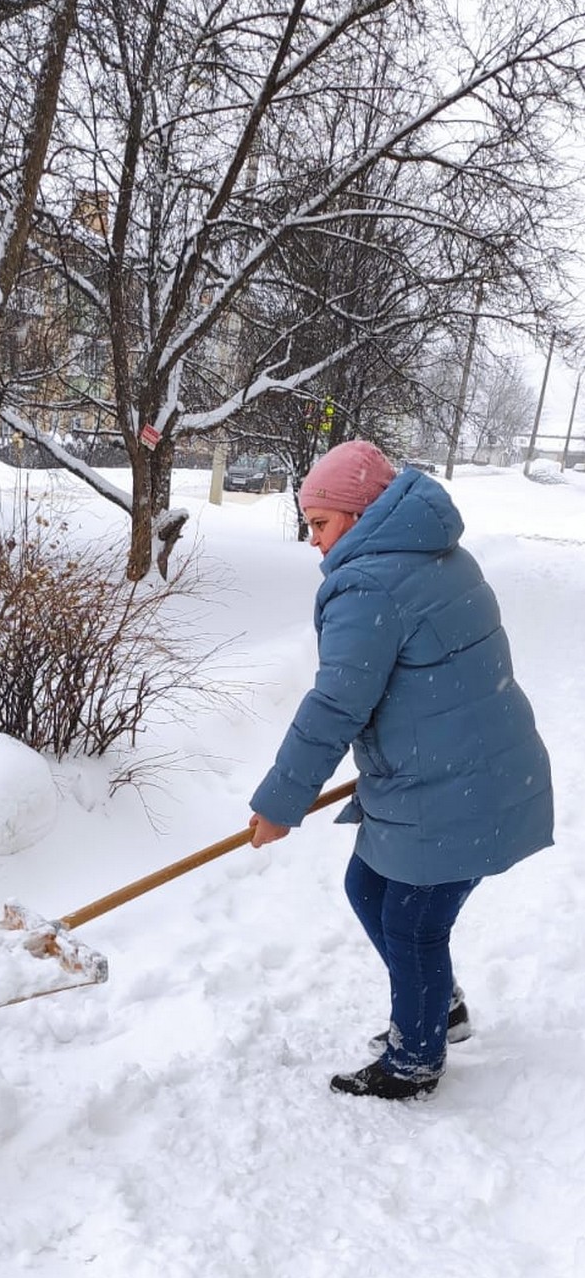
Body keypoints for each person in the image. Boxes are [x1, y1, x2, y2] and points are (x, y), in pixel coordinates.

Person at [249, 439, 553, 1101]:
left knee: (413, 923)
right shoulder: (432, 553)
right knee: (369, 887)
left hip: (453, 787)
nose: (313, 541)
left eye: (320, 524)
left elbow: (336, 703)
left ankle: (415, 1058)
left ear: (360, 515)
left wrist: (280, 803)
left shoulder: (371, 584)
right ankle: (439, 1006)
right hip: (455, 771)